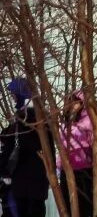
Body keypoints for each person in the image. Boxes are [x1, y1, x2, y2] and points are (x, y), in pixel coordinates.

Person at [0, 79, 53, 217]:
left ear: (20, 95)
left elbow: (8, 153)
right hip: (39, 188)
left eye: (14, 96)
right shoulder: (45, 121)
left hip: (20, 188)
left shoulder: (21, 121)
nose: (13, 100)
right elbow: (51, 154)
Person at [58, 91, 93, 217]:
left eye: (75, 102)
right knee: (68, 204)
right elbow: (62, 145)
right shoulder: (65, 122)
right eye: (69, 102)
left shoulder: (88, 120)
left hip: (83, 170)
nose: (71, 105)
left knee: (84, 206)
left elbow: (94, 142)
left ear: (81, 103)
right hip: (66, 169)